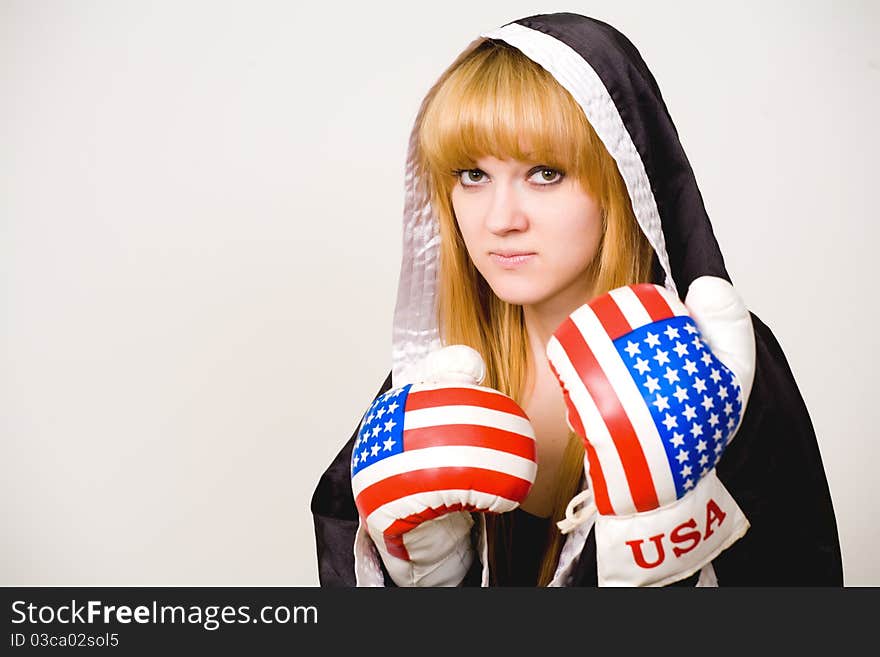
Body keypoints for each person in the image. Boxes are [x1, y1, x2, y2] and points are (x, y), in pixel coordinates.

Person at [310, 12, 844, 586]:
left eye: (544, 173)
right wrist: (421, 576)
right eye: (472, 175)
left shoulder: (715, 361)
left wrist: (666, 545)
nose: (500, 220)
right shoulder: (438, 375)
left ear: (622, 178)